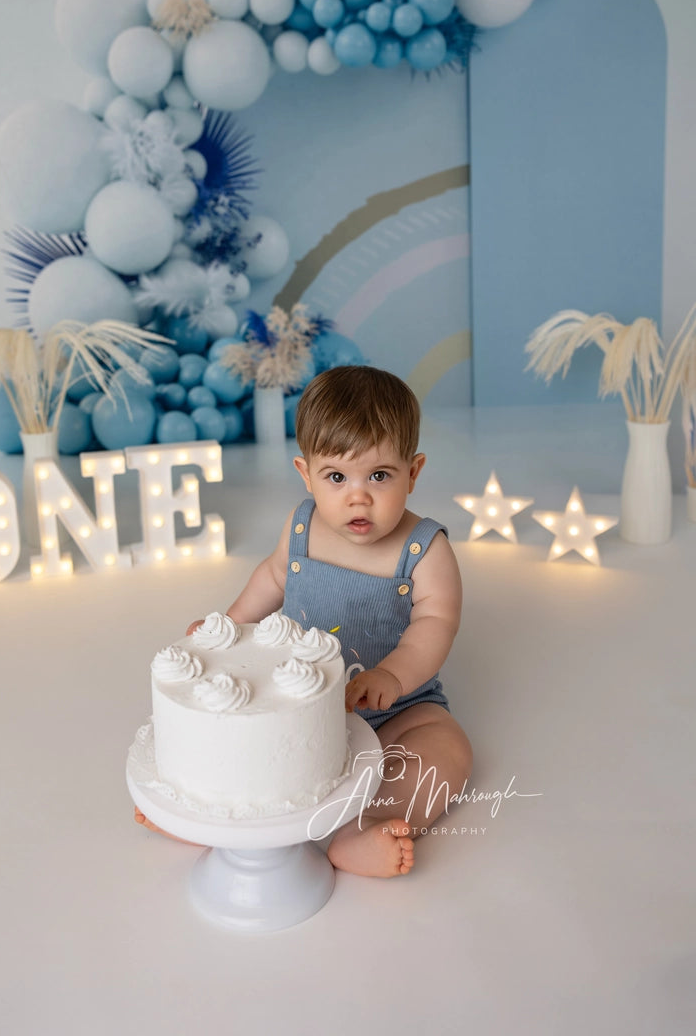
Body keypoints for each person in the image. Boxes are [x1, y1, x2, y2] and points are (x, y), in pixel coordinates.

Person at [137, 365, 472, 877]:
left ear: (414, 471)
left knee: (446, 748)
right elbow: (272, 578)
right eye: (337, 477)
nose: (358, 496)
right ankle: (213, 818)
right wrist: (227, 626)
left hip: (395, 709)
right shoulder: (301, 527)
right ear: (306, 473)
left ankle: (366, 827)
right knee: (241, 744)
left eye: (379, 476)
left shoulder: (424, 550)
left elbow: (437, 621)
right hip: (295, 707)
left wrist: (392, 675)